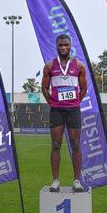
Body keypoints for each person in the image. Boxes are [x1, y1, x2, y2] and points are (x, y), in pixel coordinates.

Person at [41, 34, 87, 192]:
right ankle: (55, 180)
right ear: (57, 46)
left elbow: (84, 88)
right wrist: (52, 103)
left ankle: (76, 180)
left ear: (70, 45)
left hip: (73, 110)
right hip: (57, 111)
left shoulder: (79, 66)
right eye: (60, 45)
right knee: (56, 144)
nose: (63, 47)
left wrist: (75, 102)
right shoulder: (49, 67)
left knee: (76, 144)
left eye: (66, 45)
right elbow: (44, 88)